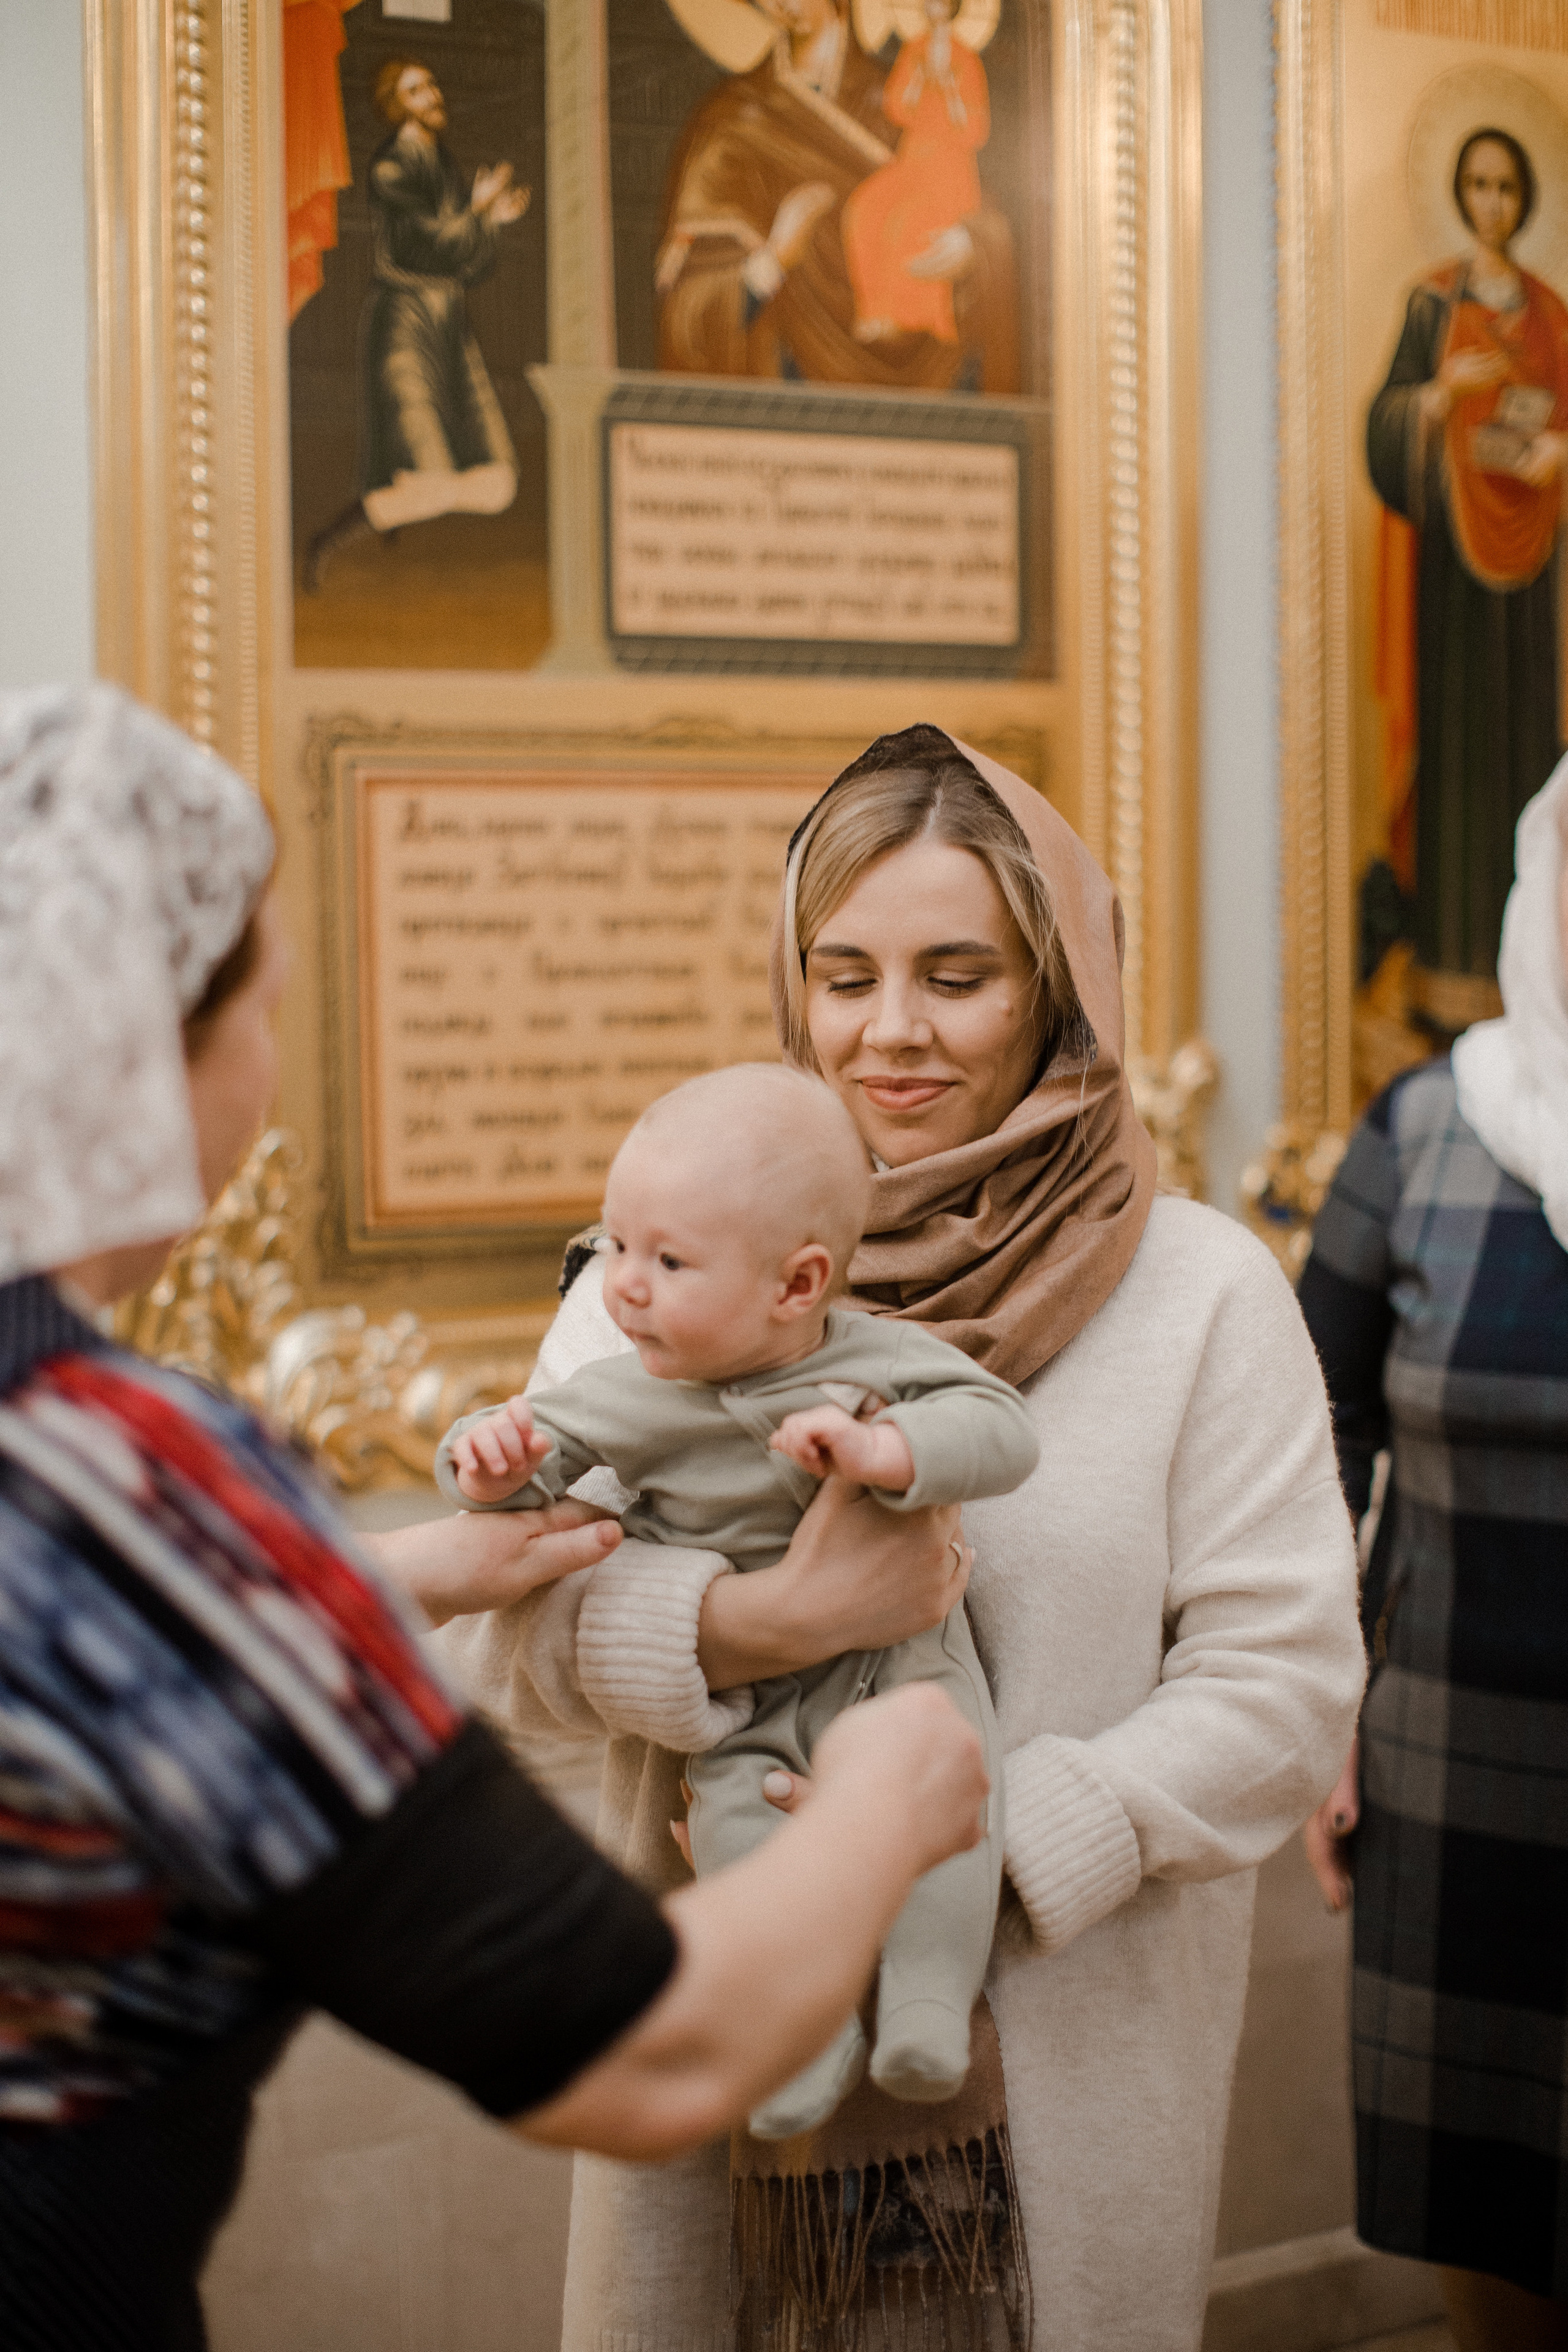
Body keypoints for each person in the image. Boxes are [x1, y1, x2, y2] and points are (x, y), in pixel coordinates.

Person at [0, 685, 990, 2352]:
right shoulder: (134, 1480)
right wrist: (889, 1801)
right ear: (153, 1051)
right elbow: (640, 2051)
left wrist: (369, 1579)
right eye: (271, 1004)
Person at [438, 723, 1366, 2352]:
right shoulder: (652, 1281)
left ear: (1059, 987)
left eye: (960, 974)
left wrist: (978, 1846)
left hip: (1061, 2065)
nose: (891, 1034)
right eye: (844, 972)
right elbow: (495, 1644)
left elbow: (1283, 1689)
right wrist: (754, 1628)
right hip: (731, 2045)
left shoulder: (1201, 1291)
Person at [435, 1063, 1038, 2140]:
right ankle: (801, 2046)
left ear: (798, 1285)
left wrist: (885, 1449)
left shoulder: (879, 1360)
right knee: (735, 1837)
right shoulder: (629, 1384)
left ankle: (926, 2011)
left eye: (667, 1260)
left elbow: (1003, 1433)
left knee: (955, 1829)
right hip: (746, 1714)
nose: (624, 1284)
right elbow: (538, 1461)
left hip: (902, 1677)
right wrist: (487, 1463)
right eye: (618, 1245)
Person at [1302, 756, 1568, 2351]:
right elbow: (1311, 1442)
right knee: (1500, 2255)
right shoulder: (1425, 1134)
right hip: (1464, 1778)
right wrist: (1325, 1695)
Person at [1366, 126, 1568, 1031]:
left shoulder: (1553, 314)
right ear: (1459, 193)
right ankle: (1448, 980)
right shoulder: (1432, 305)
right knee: (1460, 772)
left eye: (1506, 186)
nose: (1492, 202)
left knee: (1529, 768)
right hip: (1453, 581)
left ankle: (1539, 984)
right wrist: (1443, 394)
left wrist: (1556, 459)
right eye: (1478, 185)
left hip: (1534, 590)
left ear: (1525, 198)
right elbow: (1385, 429)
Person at [654, 0, 1018, 393]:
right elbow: (686, 310)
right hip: (790, 396)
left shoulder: (901, 99)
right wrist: (772, 261)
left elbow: (972, 197)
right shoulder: (734, 122)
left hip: (927, 395)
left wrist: (970, 245)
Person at [302, 58, 529, 590]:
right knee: (427, 477)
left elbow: (469, 264)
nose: (432, 93)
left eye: (432, 83)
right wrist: (475, 215)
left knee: (499, 485)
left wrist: (488, 223)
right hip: (405, 323)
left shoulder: (441, 165)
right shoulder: (391, 169)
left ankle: (399, 507)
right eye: (416, 89)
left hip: (450, 327)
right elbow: (423, 247)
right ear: (394, 106)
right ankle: (329, 541)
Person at [841, 0, 992, 347]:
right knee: (864, 208)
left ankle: (906, 317)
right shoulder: (914, 51)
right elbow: (896, 109)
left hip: (948, 169)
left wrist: (951, 88)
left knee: (905, 221)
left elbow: (975, 132)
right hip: (911, 160)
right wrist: (922, 78)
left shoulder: (966, 59)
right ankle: (872, 311)